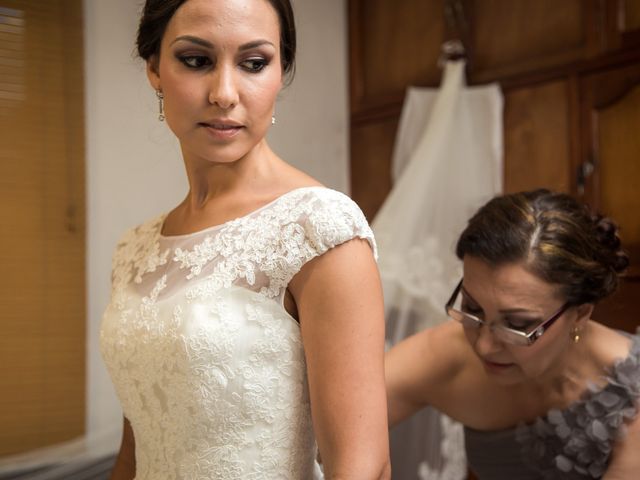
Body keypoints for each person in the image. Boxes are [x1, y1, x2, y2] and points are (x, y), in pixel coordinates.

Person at [99, 1, 391, 478]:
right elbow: (137, 450)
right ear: (154, 68)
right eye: (196, 61)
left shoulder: (320, 229)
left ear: (280, 73)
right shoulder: (135, 249)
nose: (225, 93)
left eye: (254, 64)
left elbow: (365, 467)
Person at [386, 189, 640, 479]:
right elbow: (335, 414)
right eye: (472, 308)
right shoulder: (450, 355)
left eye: (517, 325)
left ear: (580, 314)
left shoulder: (633, 400)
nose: (484, 346)